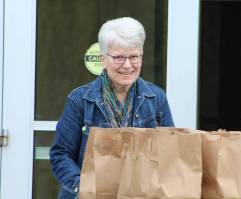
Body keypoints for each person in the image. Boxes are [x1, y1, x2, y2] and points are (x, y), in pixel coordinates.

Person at [49, 17, 174, 199]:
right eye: (118, 57)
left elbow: (169, 151)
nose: (127, 65)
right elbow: (61, 155)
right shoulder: (80, 100)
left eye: (134, 57)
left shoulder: (156, 98)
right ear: (103, 59)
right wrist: (85, 188)